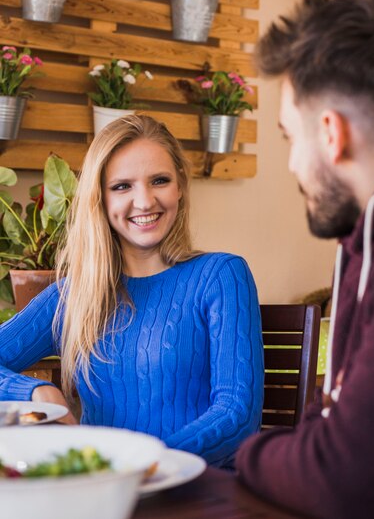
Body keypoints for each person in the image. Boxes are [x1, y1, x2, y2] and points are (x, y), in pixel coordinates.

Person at [236, 0, 374, 518]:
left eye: (290, 138)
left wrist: (252, 453)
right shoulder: (371, 239)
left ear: (331, 134)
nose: (292, 164)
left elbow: (347, 478)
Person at [0, 114, 264, 468]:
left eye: (159, 180)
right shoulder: (75, 295)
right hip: (104, 493)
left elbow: (237, 414)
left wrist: (141, 464)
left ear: (180, 186)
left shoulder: (220, 275)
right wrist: (34, 391)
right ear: (101, 199)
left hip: (193, 492)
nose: (144, 201)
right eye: (122, 186)